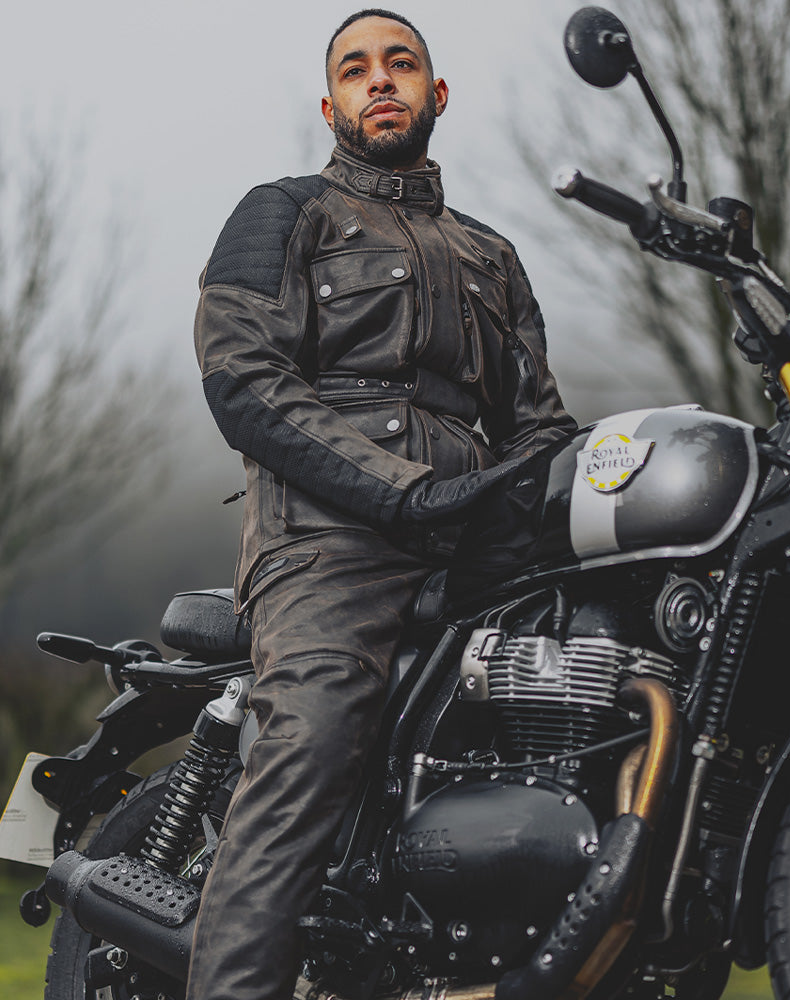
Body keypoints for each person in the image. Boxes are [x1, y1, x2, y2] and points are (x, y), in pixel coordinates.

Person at [188, 8, 576, 999]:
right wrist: (402, 492)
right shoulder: (285, 213)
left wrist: (530, 510)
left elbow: (538, 422)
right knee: (311, 740)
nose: (381, 80)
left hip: (477, 548)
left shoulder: (492, 255)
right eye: (357, 70)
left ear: (436, 94)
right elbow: (243, 379)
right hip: (325, 544)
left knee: (577, 723)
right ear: (331, 105)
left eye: (401, 63)